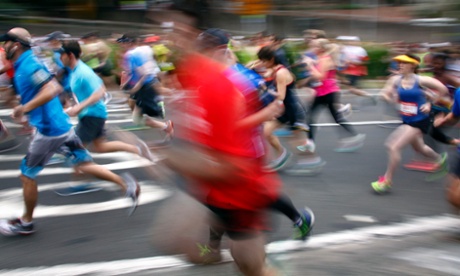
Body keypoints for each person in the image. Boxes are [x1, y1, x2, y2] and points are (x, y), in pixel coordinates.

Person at [0, 27, 140, 236]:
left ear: (17, 45)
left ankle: (26, 222)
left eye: (7, 42)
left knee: (26, 175)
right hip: (62, 127)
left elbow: (52, 89)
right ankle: (127, 184)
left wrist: (24, 108)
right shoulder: (23, 62)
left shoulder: (29, 64)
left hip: (48, 131)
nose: (4, 46)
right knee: (84, 164)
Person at [59, 39, 154, 160]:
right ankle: (137, 149)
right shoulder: (75, 71)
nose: (60, 57)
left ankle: (87, 173)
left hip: (92, 115)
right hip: (93, 114)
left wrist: (80, 106)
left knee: (76, 152)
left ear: (70, 55)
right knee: (100, 147)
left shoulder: (83, 72)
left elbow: (100, 91)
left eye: (62, 54)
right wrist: (71, 105)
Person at [371, 54, 450, 193]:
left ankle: (387, 181)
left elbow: (443, 89)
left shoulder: (421, 80)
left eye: (404, 63)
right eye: (399, 63)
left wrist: (430, 103)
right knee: (420, 147)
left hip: (419, 120)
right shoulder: (395, 80)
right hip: (407, 119)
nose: (400, 65)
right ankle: (440, 159)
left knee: (393, 146)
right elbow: (386, 92)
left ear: (412, 65)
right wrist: (386, 96)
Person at [257, 45, 320, 172]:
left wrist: (266, 89)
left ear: (272, 59)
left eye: (264, 60)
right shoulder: (275, 70)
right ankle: (282, 155)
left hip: (292, 110)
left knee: (297, 140)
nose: (262, 63)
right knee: (266, 132)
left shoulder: (281, 73)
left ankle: (312, 160)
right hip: (285, 109)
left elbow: (281, 96)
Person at [304, 38, 366, 152]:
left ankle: (310, 143)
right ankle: (310, 142)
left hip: (327, 92)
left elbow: (320, 77)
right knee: (319, 117)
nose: (312, 48)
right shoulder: (321, 58)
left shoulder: (325, 59)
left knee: (316, 116)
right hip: (323, 92)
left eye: (315, 46)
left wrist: (310, 66)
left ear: (321, 48)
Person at [117, 33, 173, 139]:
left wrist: (132, 86)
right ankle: (157, 107)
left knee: (138, 117)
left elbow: (141, 72)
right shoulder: (145, 49)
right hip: (149, 81)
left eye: (123, 42)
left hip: (144, 86)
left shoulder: (130, 55)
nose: (122, 45)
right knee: (132, 104)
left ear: (129, 42)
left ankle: (165, 125)